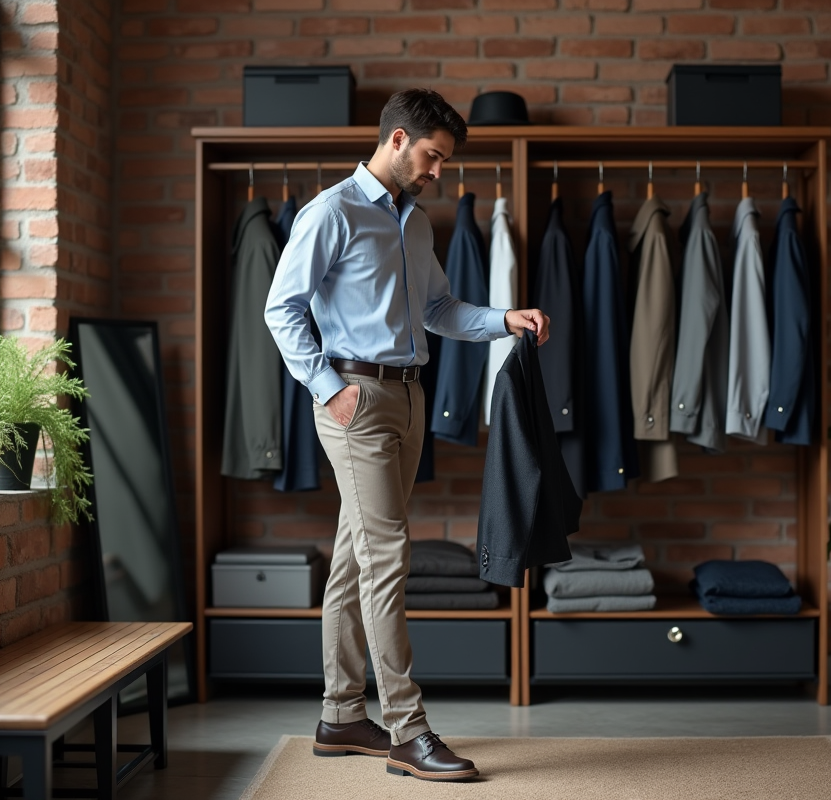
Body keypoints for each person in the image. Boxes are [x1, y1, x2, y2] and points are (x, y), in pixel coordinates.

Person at [264, 88, 550, 782]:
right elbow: (281, 308)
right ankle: (407, 728)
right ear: (397, 140)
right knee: (388, 556)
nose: (437, 172)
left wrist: (503, 320)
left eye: (444, 161)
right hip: (355, 402)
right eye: (432, 156)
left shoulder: (416, 224)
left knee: (356, 559)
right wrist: (329, 388)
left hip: (410, 399)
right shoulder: (331, 212)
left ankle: (340, 715)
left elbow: (440, 309)